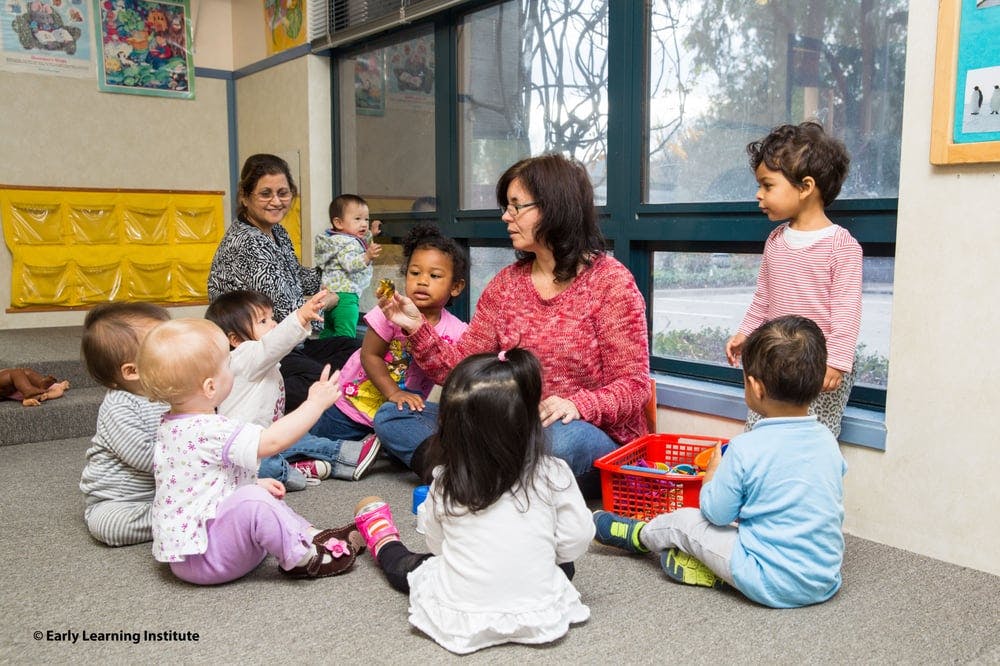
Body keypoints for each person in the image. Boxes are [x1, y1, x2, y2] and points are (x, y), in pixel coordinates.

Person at [376, 154, 649, 493]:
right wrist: (417, 328)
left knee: (560, 444)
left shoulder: (611, 283)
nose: (506, 216)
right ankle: (492, 477)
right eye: (506, 206)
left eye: (516, 206)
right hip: (510, 429)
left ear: (553, 207)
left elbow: (635, 386)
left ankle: (467, 474)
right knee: (393, 416)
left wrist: (576, 405)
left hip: (581, 433)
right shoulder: (506, 284)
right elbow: (459, 369)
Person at [594, 315, 847, 609]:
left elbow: (715, 514)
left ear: (755, 387)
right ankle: (714, 572)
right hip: (825, 579)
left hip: (767, 579)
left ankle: (640, 535)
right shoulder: (828, 441)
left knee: (686, 522)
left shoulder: (745, 448)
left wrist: (712, 475)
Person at [352, 349, 594, 654]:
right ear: (532, 423)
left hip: (462, 611)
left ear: (450, 429)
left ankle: (384, 539)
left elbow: (438, 547)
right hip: (539, 607)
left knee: (414, 568)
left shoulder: (445, 481)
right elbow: (576, 539)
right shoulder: (555, 473)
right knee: (563, 564)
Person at [136, 318, 364, 584]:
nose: (232, 369)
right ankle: (303, 557)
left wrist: (250, 482)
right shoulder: (210, 429)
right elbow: (272, 442)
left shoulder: (171, 426)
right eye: (227, 365)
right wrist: (314, 404)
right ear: (210, 387)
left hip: (189, 556)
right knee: (255, 501)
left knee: (259, 493)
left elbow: (200, 482)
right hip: (209, 559)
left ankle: (310, 533)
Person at [725, 121, 862, 438]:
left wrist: (837, 363)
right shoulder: (775, 240)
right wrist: (746, 333)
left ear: (805, 187)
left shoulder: (841, 246)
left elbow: (846, 311)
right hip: (774, 362)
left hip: (818, 368)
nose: (759, 195)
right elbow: (763, 298)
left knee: (812, 440)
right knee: (760, 434)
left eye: (768, 186)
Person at [207, 153, 359, 412]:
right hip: (254, 355)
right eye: (265, 193)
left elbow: (298, 276)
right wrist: (330, 300)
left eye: (283, 193)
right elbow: (287, 311)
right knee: (323, 381)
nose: (276, 201)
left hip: (289, 344)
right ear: (245, 197)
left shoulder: (277, 232)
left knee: (359, 351)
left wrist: (337, 276)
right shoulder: (248, 242)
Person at [312, 224, 468, 473]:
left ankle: (376, 446)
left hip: (398, 412)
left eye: (434, 276)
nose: (422, 281)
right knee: (315, 441)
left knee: (404, 453)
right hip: (352, 404)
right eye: (415, 273)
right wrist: (394, 392)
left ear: (456, 287)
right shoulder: (390, 310)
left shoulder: (457, 330)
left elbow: (456, 375)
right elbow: (369, 355)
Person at [205, 289, 380, 487]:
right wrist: (300, 317)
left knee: (300, 437)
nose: (274, 324)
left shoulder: (260, 363)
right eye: (263, 321)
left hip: (268, 439)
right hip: (248, 451)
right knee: (271, 464)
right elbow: (274, 343)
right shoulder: (242, 357)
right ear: (235, 340)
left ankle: (306, 466)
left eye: (272, 318)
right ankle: (339, 458)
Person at [79, 302, 171, 547]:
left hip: (166, 487)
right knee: (110, 525)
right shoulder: (119, 406)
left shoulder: (170, 392)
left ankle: (179, 512)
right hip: (121, 501)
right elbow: (144, 458)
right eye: (165, 346)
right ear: (132, 371)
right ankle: (176, 517)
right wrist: (195, 458)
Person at [314, 194, 383, 339]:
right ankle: (344, 359)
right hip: (346, 297)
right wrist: (367, 256)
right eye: (357, 219)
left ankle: (324, 356)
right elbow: (350, 264)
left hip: (331, 295)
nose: (363, 224)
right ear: (339, 223)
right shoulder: (347, 243)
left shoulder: (336, 240)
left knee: (329, 332)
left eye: (366, 219)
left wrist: (371, 233)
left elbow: (361, 240)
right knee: (345, 336)